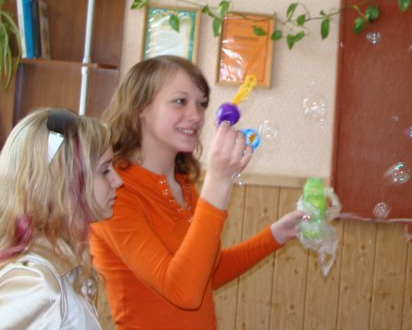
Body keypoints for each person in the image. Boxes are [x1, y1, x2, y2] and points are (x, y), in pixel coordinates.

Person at [90, 55, 302, 329]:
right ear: (141, 107)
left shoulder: (182, 184)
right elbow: (184, 291)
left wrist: (274, 235)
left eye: (201, 104)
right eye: (180, 101)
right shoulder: (115, 192)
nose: (197, 116)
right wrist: (218, 180)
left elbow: (206, 274)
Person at [0, 108, 123, 329]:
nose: (118, 181)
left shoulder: (61, 266)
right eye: (105, 171)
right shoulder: (34, 281)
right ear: (63, 182)